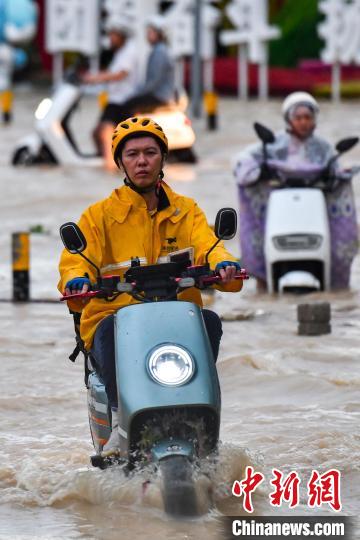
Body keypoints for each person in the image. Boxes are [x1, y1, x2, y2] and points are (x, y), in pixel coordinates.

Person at [58, 117, 243, 452]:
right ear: (119, 162)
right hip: (116, 317)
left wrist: (224, 265)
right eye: (132, 154)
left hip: (176, 317)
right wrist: (76, 281)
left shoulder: (187, 212)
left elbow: (209, 245)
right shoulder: (97, 217)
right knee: (108, 330)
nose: (141, 161)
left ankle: (202, 409)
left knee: (210, 322)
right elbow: (77, 260)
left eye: (149, 152)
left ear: (163, 159)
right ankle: (118, 419)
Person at [234, 91, 358, 290]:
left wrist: (338, 175)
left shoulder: (323, 147)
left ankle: (335, 281)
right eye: (298, 117)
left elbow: (337, 170)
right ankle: (263, 281)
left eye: (307, 117)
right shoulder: (273, 145)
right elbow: (242, 164)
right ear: (288, 119)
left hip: (314, 209)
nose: (303, 122)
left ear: (314, 119)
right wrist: (259, 171)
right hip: (278, 209)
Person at [81, 19, 139, 170]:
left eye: (113, 34)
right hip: (114, 100)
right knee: (95, 133)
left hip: (122, 101)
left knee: (106, 132)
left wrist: (96, 78)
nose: (110, 38)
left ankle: (110, 166)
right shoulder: (119, 53)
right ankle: (104, 161)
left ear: (122, 35)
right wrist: (94, 76)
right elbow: (112, 72)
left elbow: (120, 74)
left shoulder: (129, 52)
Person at [105, 14, 176, 123]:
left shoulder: (159, 52)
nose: (147, 35)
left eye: (151, 32)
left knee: (127, 106)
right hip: (160, 95)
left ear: (161, 33)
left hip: (159, 96)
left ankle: (127, 135)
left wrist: (136, 93)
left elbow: (153, 82)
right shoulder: (160, 50)